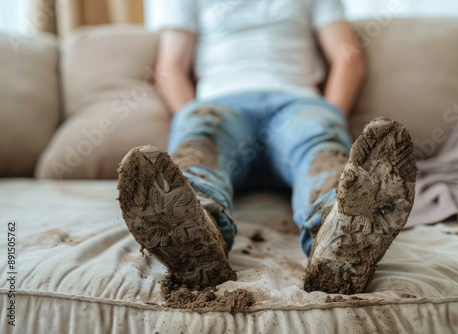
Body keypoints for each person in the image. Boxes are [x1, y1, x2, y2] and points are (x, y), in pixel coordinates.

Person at [117, 0, 417, 294]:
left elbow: (347, 58)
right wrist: (192, 119)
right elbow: (170, 69)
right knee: (201, 137)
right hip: (223, 104)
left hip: (295, 104)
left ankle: (339, 229)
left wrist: (329, 117)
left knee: (319, 141)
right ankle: (195, 231)